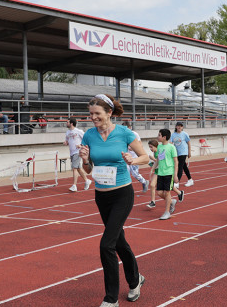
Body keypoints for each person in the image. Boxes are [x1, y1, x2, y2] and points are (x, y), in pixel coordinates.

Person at [78, 94, 148, 306]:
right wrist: (85, 161)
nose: (93, 118)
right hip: (102, 195)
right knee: (118, 241)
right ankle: (136, 279)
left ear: (109, 113)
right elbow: (90, 169)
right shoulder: (89, 135)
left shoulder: (124, 133)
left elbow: (145, 157)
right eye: (90, 114)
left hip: (122, 194)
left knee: (106, 244)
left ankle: (111, 299)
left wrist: (132, 159)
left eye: (97, 114)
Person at [146, 139, 184, 209]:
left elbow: (160, 161)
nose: (150, 149)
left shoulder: (159, 150)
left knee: (168, 188)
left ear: (155, 146)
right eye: (149, 147)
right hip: (158, 171)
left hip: (163, 171)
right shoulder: (155, 151)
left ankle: (174, 198)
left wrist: (153, 159)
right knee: (152, 185)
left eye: (151, 147)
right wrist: (152, 167)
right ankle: (153, 202)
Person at [152, 129, 179, 220]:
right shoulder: (159, 147)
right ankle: (172, 201)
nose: (157, 136)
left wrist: (175, 175)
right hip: (160, 172)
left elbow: (176, 161)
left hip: (169, 173)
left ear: (164, 137)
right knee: (159, 192)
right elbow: (159, 160)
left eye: (159, 135)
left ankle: (167, 212)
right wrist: (152, 169)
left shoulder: (171, 147)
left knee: (167, 193)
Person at [121, 121, 149, 193]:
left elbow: (140, 145)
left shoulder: (134, 134)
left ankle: (144, 181)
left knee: (135, 174)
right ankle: (125, 189)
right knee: (125, 172)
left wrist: (132, 148)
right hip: (126, 157)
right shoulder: (121, 135)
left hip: (134, 157)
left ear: (130, 128)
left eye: (126, 128)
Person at [64, 117, 91, 192]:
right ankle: (87, 180)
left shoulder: (78, 131)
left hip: (77, 152)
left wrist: (81, 145)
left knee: (74, 168)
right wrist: (66, 142)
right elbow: (67, 140)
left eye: (67, 122)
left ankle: (74, 185)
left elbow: (86, 139)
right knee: (78, 168)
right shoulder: (67, 132)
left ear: (71, 123)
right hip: (71, 152)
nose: (66, 123)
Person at [171, 122, 193, 186]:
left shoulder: (185, 134)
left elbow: (188, 143)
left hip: (183, 152)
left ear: (182, 127)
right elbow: (171, 143)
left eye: (181, 126)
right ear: (176, 127)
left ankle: (177, 182)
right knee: (184, 166)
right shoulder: (173, 135)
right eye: (178, 126)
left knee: (179, 167)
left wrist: (189, 152)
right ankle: (190, 179)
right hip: (177, 152)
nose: (179, 127)